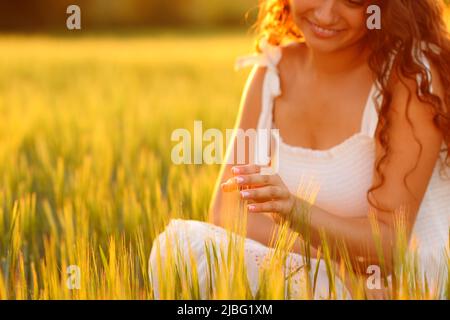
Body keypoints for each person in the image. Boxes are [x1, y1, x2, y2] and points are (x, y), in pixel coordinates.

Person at [150, 0, 450, 299]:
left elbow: (387, 245)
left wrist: (296, 212)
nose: (326, 14)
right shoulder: (271, 74)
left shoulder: (411, 77)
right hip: (329, 275)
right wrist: (330, 261)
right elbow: (228, 211)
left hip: (391, 288)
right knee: (178, 249)